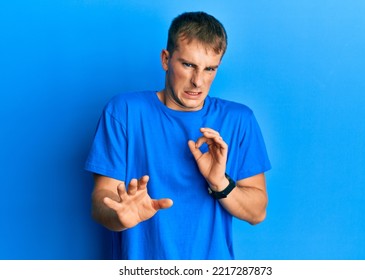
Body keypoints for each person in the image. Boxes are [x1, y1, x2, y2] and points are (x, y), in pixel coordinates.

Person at [85, 11, 271, 260]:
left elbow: (257, 212)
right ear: (166, 59)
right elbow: (101, 200)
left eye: (209, 69)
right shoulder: (124, 111)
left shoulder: (239, 119)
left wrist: (220, 183)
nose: (198, 81)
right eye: (188, 65)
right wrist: (119, 216)